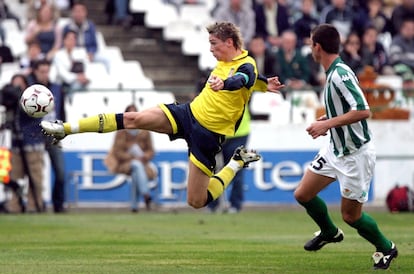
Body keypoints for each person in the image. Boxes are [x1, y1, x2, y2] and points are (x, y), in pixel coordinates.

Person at [40, 21, 284, 209]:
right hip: (188, 113)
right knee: (133, 119)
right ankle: (65, 128)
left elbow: (242, 78)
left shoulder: (246, 63)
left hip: (208, 135)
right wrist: (264, 83)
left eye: (214, 44)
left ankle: (236, 162)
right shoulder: (227, 61)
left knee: (196, 201)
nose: (210, 49)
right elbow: (252, 80)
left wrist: (228, 83)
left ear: (229, 42)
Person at [293, 23, 397, 270]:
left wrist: (327, 122)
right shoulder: (332, 74)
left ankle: (386, 247)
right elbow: (345, 110)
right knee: (302, 194)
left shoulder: (340, 74)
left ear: (318, 47)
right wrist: (327, 122)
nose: (311, 48)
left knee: (351, 216)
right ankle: (329, 232)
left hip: (355, 155)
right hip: (334, 150)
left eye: (311, 44)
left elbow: (363, 110)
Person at [27, 59, 66, 213]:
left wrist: (64, 128)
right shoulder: (30, 91)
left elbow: (62, 111)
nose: (44, 75)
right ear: (35, 72)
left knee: (61, 171)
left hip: (54, 133)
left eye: (47, 71)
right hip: (35, 134)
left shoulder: (57, 88)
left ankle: (58, 204)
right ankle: (36, 203)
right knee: (35, 171)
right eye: (41, 71)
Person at [105, 104, 156, 212]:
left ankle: (134, 206)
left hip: (142, 164)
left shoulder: (145, 131)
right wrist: (132, 157)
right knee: (136, 165)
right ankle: (146, 194)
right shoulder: (121, 132)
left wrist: (144, 156)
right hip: (124, 164)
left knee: (136, 173)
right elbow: (117, 152)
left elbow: (151, 150)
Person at [7, 74, 46, 213]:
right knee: (15, 177)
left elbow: (29, 112)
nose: (17, 88)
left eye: (20, 85)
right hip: (16, 145)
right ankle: (14, 206)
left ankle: (34, 205)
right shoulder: (10, 100)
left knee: (35, 176)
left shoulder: (35, 100)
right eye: (14, 85)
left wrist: (20, 98)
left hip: (32, 142)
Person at [207, 107, 251, 213]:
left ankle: (235, 205)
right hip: (215, 132)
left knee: (236, 169)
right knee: (211, 169)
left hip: (239, 133)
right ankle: (213, 204)